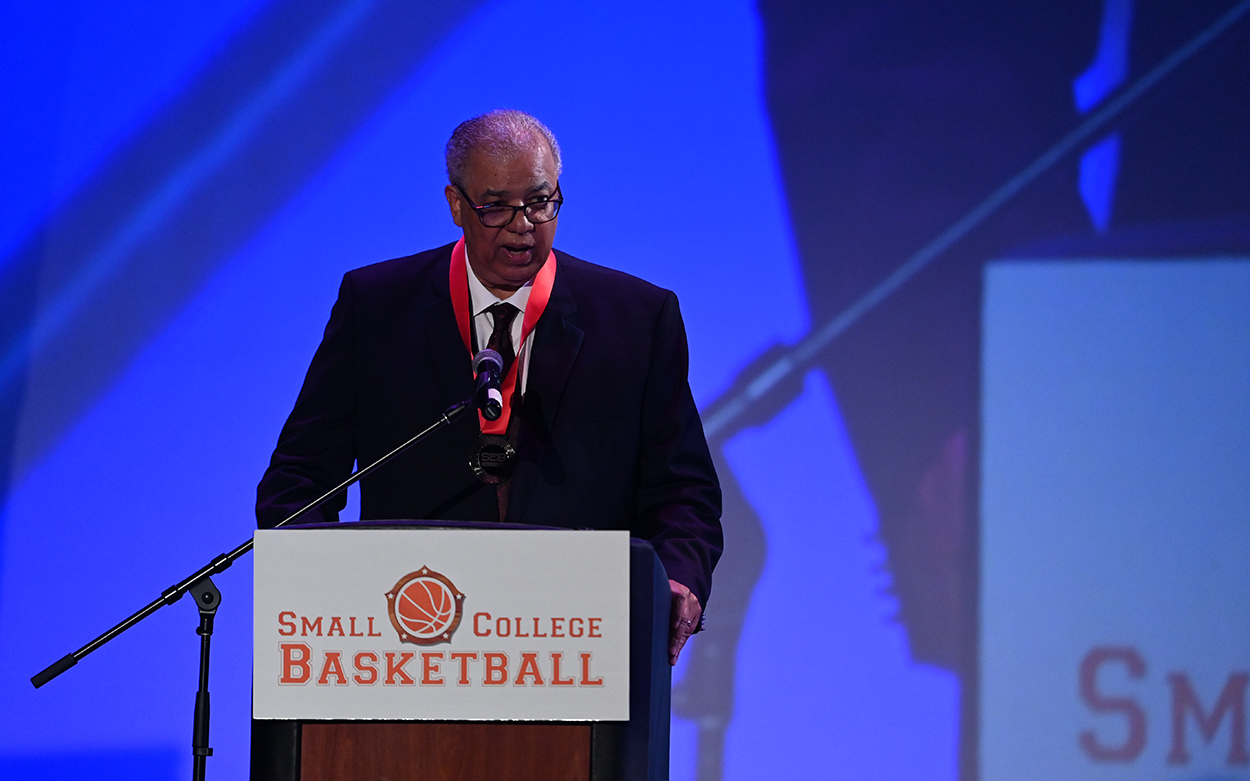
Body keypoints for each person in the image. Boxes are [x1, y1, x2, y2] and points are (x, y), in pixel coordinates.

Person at [256, 109, 722, 664]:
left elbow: (683, 490)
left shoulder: (637, 318)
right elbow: (301, 477)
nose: (522, 224)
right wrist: (330, 592)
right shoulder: (377, 308)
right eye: (496, 205)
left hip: (575, 649)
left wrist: (677, 577)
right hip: (408, 650)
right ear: (456, 205)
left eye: (541, 201)